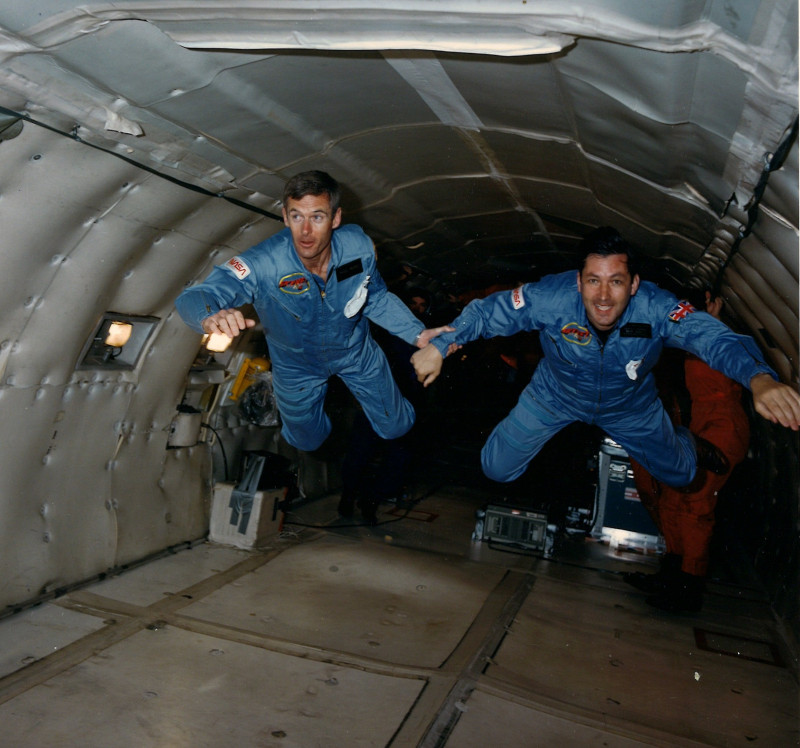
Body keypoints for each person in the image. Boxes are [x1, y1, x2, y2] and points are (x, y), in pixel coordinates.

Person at [411, 227, 800, 493]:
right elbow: (489, 312)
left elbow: (711, 337)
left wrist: (759, 378)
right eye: (593, 280)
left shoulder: (656, 307)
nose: (602, 296)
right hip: (554, 396)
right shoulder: (550, 298)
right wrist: (442, 345)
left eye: (616, 281)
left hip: (630, 406)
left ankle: (687, 444)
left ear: (633, 284)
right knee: (495, 467)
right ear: (578, 281)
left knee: (682, 476)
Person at [175, 170, 452, 453]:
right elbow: (196, 296)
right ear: (285, 217)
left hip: (355, 352)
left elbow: (376, 297)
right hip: (296, 365)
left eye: (317, 217)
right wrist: (209, 315)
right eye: (297, 216)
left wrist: (417, 333)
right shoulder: (263, 264)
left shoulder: (358, 249)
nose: (305, 231)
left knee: (396, 426)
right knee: (306, 440)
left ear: (336, 218)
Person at [624, 286, 750, 612]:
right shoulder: (685, 340)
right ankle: (673, 572)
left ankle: (688, 585)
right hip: (700, 425)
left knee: (696, 502)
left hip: (723, 427)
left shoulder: (717, 337)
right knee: (672, 499)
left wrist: (711, 322)